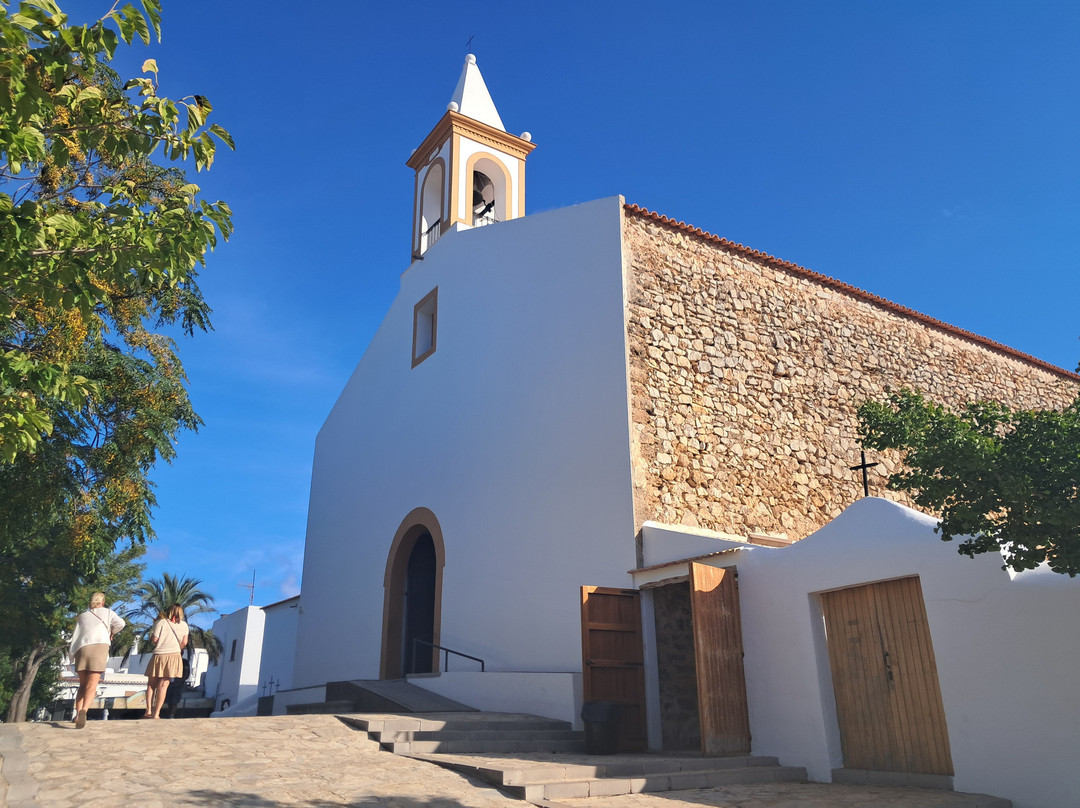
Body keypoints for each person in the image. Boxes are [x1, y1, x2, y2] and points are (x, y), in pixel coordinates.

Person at [69, 592, 124, 729]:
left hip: (82, 648)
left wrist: (71, 655)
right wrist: (112, 632)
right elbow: (121, 623)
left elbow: (76, 635)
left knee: (82, 685)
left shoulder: (82, 616)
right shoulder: (108, 612)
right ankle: (84, 711)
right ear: (103, 602)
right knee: (92, 685)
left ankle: (77, 714)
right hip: (99, 647)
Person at [144, 605, 188, 719]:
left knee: (151, 685)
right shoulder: (184, 625)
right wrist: (177, 647)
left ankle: (148, 711)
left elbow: (155, 639)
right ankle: (157, 713)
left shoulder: (162, 622)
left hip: (160, 654)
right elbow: (184, 642)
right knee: (163, 686)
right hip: (174, 656)